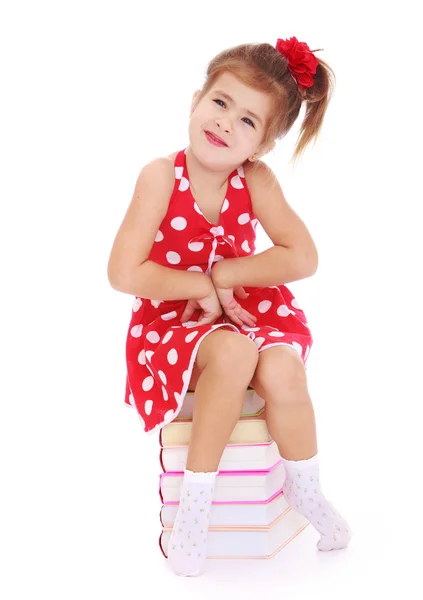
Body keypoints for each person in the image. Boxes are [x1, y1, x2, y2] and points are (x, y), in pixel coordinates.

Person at [107, 37, 351, 577]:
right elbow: (124, 273)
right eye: (220, 103)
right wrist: (196, 287)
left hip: (245, 309)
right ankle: (195, 505)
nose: (225, 123)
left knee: (284, 369)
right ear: (196, 100)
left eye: (248, 121)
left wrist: (225, 275)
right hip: (171, 316)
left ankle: (305, 487)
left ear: (260, 146)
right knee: (236, 356)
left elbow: (303, 256)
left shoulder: (256, 180)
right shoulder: (159, 175)